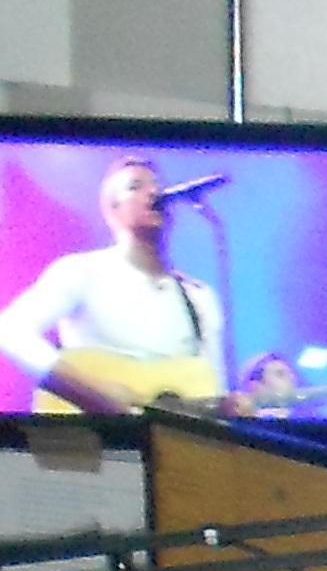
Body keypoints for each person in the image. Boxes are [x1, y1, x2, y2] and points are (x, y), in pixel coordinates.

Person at [0, 153, 227, 411]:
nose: (153, 193)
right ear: (112, 211)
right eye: (135, 187)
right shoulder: (82, 271)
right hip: (92, 434)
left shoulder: (199, 296)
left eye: (157, 186)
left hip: (167, 435)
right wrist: (91, 393)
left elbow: (212, 389)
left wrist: (236, 408)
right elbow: (10, 332)